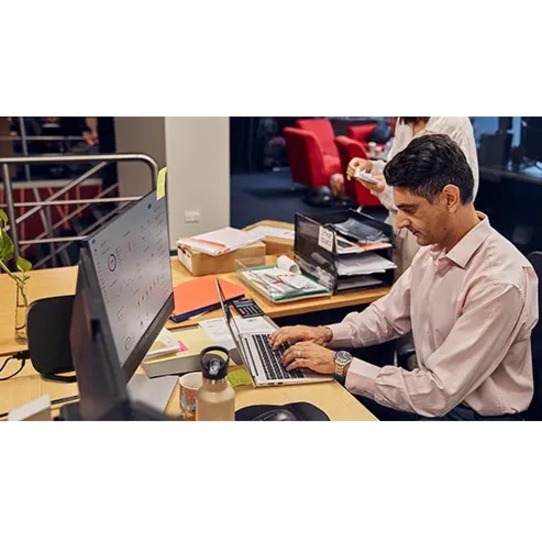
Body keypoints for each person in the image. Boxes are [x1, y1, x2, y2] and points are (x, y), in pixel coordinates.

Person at [270, 134, 538, 421]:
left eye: (410, 209)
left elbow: (437, 393)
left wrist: (341, 364)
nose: (399, 223)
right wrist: (326, 333)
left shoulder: (498, 282)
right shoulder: (435, 249)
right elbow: (386, 317)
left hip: (471, 417)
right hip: (435, 400)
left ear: (449, 198)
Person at [347, 117, 479, 277]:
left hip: (430, 234)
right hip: (400, 232)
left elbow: (465, 189)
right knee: (401, 284)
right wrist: (373, 168)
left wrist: (387, 189)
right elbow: (399, 171)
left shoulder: (454, 122)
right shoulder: (405, 121)